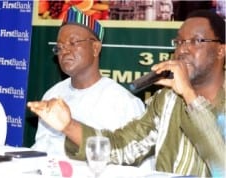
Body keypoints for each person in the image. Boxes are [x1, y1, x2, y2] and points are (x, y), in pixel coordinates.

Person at [28, 9, 225, 177]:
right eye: (179, 42)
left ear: (221, 50)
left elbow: (222, 164)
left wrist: (189, 95)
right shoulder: (166, 100)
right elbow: (123, 147)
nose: (183, 50)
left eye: (196, 41)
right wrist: (69, 126)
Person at [31, 6, 145, 158]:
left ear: (95, 48)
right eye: (60, 47)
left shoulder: (123, 103)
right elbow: (41, 148)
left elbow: (137, 163)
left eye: (73, 43)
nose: (64, 51)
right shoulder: (53, 95)